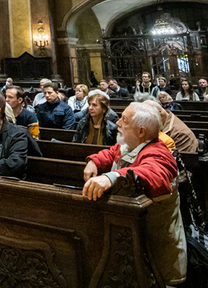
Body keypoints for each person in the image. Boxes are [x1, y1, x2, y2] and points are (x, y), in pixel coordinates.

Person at [82, 102, 186, 285]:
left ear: (141, 132)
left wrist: (112, 177)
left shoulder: (159, 153)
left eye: (124, 120)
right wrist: (94, 162)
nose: (117, 123)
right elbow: (111, 152)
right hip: (131, 246)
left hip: (156, 253)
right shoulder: (129, 144)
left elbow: (154, 175)